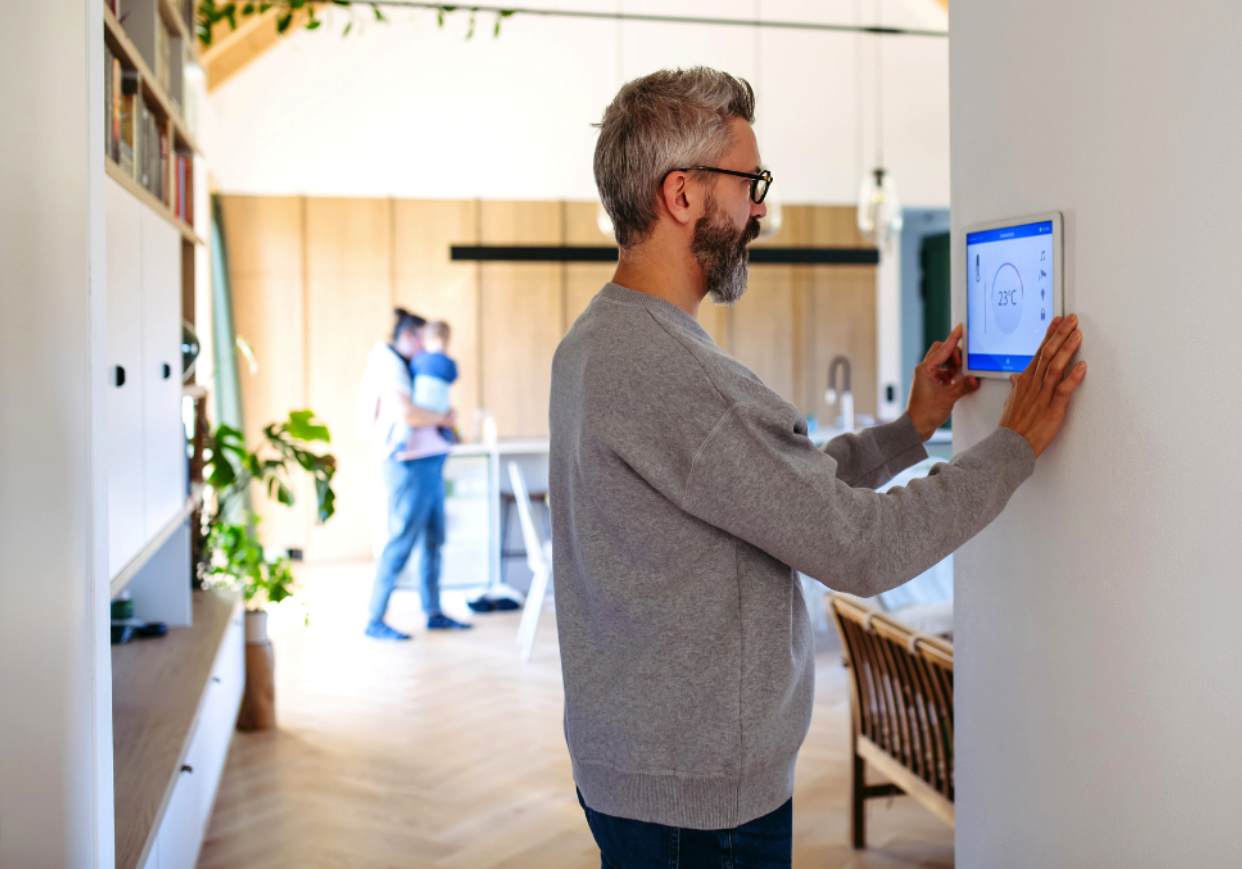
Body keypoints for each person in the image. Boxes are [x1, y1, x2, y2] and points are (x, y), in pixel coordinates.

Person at [548, 67, 1087, 866]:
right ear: (682, 196)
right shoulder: (682, 375)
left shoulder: (595, 341)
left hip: (638, 775)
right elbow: (861, 550)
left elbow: (769, 490)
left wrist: (909, 431)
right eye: (750, 181)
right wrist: (1013, 444)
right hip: (699, 807)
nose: (760, 206)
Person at [360, 308, 472, 640]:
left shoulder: (412, 365)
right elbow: (407, 414)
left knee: (433, 540)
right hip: (408, 464)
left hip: (430, 459)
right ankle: (374, 618)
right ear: (409, 337)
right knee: (401, 540)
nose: (430, 347)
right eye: (425, 339)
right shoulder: (387, 365)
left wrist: (442, 417)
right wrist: (442, 417)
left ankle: (433, 611)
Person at [398, 320, 457, 460]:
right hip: (441, 403)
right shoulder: (449, 362)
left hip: (422, 400)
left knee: (408, 424)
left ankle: (400, 443)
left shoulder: (419, 358)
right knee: (445, 418)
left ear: (425, 341)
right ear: (447, 341)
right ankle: (447, 434)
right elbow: (453, 376)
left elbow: (411, 373)